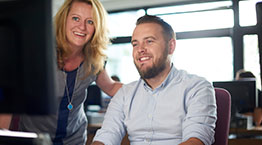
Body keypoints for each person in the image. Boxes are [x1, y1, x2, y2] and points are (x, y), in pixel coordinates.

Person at [0, 0, 122, 145]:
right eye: (75, 18)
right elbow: (9, 97)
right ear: (64, 19)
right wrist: (3, 133)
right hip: (36, 137)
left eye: (90, 21)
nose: (82, 27)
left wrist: (146, 88)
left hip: (74, 139)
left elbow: (111, 87)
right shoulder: (40, 51)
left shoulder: (94, 60)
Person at [92, 15, 217, 145]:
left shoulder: (197, 87)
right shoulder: (124, 94)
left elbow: (196, 141)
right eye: (135, 44)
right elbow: (106, 136)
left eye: (149, 41)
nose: (140, 49)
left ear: (171, 46)